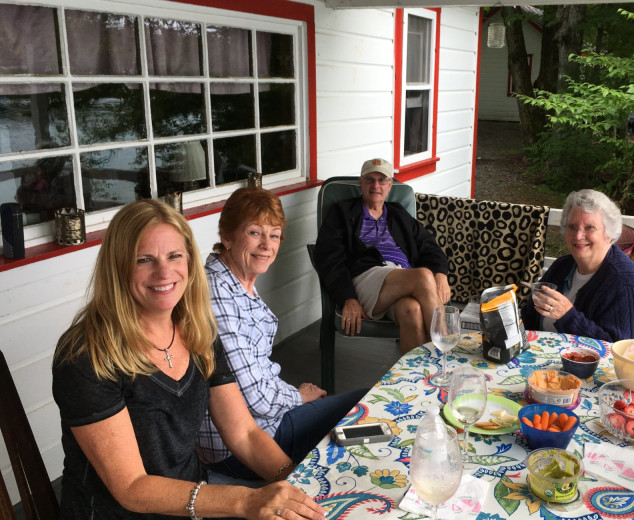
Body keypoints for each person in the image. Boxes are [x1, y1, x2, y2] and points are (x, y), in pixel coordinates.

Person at [51, 199, 324, 520]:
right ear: (118, 266)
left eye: (174, 256)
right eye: (144, 259)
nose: (164, 272)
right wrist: (243, 502)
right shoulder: (86, 355)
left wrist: (294, 482)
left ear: (190, 262)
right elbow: (131, 488)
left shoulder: (198, 330)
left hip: (193, 492)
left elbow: (244, 435)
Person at [198, 187, 366, 478]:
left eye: (273, 235)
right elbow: (258, 400)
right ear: (226, 236)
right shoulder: (217, 296)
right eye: (255, 233)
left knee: (356, 427)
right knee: (364, 404)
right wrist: (299, 396)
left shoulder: (235, 280)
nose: (266, 245)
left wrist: (294, 395)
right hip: (244, 445)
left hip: (263, 422)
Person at [313, 158, 450, 353]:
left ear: (390, 185)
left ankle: (421, 379)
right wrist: (347, 298)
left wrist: (441, 273)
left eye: (382, 180)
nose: (375, 185)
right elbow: (328, 256)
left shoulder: (398, 214)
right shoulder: (343, 212)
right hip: (366, 276)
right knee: (423, 276)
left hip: (401, 278)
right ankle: (447, 353)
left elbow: (428, 245)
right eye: (370, 179)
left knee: (412, 310)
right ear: (361, 182)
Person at [520, 189, 634, 343]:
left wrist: (567, 317)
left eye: (590, 227)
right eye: (572, 227)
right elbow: (529, 319)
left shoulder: (630, 286)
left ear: (609, 234)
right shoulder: (561, 266)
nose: (578, 235)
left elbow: (626, 355)